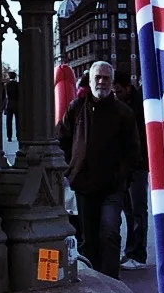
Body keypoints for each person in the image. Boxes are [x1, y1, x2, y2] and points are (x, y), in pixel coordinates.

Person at [55, 60, 139, 279]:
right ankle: (93, 283)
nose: (102, 81)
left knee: (110, 232)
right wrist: (68, 169)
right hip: (83, 185)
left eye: (106, 78)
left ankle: (112, 284)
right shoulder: (76, 108)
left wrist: (119, 176)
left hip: (112, 188)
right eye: (97, 78)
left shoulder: (124, 113)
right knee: (88, 238)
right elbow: (61, 138)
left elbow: (133, 151)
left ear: (112, 82)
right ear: (90, 81)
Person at [114, 68, 148, 266]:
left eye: (118, 91)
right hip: (125, 166)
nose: (116, 95)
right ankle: (131, 251)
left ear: (127, 88)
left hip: (138, 165)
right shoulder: (122, 105)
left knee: (137, 210)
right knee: (128, 210)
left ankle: (138, 255)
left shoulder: (140, 106)